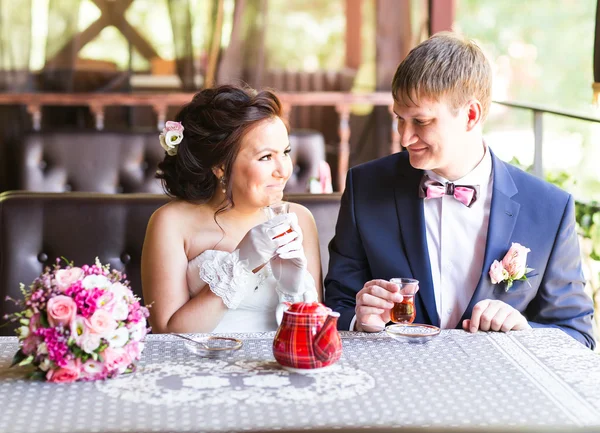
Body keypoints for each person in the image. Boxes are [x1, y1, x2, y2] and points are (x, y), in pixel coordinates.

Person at [324, 32, 595, 348]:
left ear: (471, 115)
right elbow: (334, 306)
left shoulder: (549, 208)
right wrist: (360, 320)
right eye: (400, 118)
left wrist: (525, 332)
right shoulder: (365, 187)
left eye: (421, 121)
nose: (404, 137)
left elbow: (578, 335)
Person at [142, 85, 321, 334]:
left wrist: (294, 289)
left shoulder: (299, 219)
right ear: (220, 167)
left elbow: (313, 329)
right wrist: (241, 264)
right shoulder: (171, 223)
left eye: (286, 152)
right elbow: (167, 334)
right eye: (266, 157)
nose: (284, 170)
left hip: (282, 362)